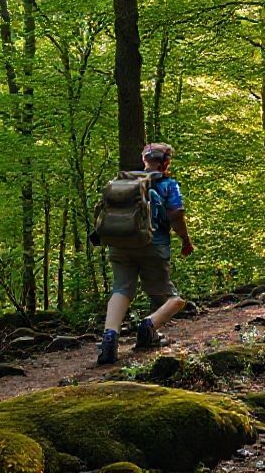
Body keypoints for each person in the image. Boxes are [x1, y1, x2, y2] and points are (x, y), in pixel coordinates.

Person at [97, 143, 194, 365]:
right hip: (153, 245)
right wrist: (186, 241)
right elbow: (176, 215)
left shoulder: (123, 183)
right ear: (166, 162)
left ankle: (109, 339)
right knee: (173, 299)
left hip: (119, 244)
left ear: (144, 159)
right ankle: (148, 327)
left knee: (121, 289)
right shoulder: (168, 184)